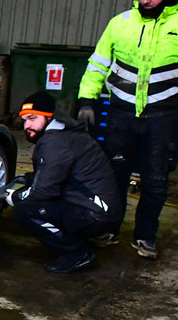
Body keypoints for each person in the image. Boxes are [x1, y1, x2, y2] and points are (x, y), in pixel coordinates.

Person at [77, 0, 178, 260]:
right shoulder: (121, 23)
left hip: (163, 119)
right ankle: (109, 228)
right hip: (121, 115)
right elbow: (98, 64)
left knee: (155, 181)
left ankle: (144, 237)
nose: (147, 2)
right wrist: (86, 101)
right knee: (113, 175)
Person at [8, 92, 123, 274]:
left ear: (49, 117)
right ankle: (79, 238)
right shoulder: (67, 132)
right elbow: (57, 174)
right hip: (100, 209)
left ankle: (77, 252)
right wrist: (30, 179)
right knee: (38, 201)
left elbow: (43, 193)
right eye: (24, 121)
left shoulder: (55, 142)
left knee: (24, 211)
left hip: (94, 215)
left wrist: (16, 195)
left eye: (32, 118)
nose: (27, 125)